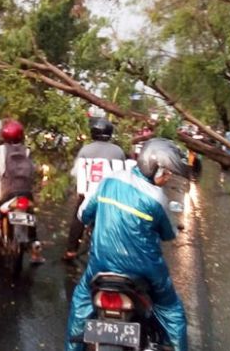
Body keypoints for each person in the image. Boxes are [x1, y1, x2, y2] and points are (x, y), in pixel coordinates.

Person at [65, 138, 189, 351]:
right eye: (166, 172)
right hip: (147, 271)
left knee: (80, 303)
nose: (167, 178)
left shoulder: (108, 181)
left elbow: (83, 214)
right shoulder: (157, 199)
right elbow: (169, 235)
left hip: (100, 266)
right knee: (172, 311)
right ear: (154, 168)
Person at [0, 120, 44, 266]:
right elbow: (33, 170)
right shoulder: (27, 150)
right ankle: (35, 252)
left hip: (6, 193)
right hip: (26, 192)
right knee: (30, 216)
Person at [62, 117, 126, 261]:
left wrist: (80, 191)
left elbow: (76, 172)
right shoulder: (118, 151)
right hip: (110, 195)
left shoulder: (86, 150)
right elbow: (122, 173)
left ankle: (71, 251)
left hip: (89, 194)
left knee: (78, 219)